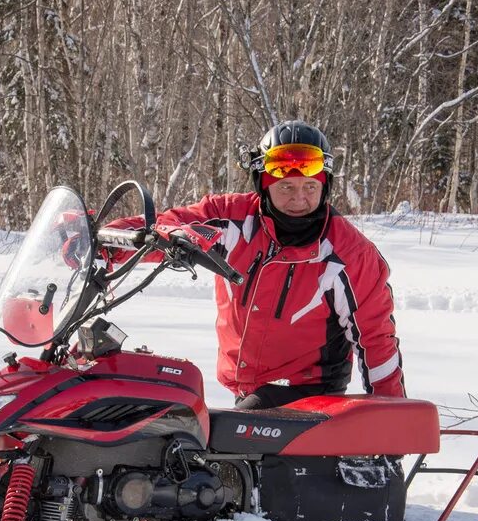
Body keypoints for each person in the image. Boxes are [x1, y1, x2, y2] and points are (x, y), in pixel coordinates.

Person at [106, 120, 405, 410]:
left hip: (309, 396)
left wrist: (392, 424)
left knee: (217, 446)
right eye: (286, 186)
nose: (299, 199)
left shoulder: (350, 256)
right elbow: (166, 224)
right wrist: (106, 241)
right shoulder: (232, 220)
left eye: (310, 187)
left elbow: (376, 341)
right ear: (263, 184)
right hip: (248, 392)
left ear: (325, 186)